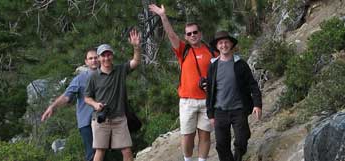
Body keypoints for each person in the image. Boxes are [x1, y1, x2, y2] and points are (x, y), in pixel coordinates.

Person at [149, 4, 217, 161]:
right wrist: (163, 16)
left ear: (200, 33)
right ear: (186, 37)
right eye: (189, 33)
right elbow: (171, 35)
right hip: (187, 101)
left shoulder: (211, 51)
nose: (193, 35)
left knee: (205, 135)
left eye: (195, 32)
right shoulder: (183, 50)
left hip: (208, 100)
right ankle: (187, 159)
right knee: (187, 135)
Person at [84, 29, 141, 161]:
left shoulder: (120, 70)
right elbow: (87, 98)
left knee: (127, 150)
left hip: (119, 118)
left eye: (108, 55)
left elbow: (136, 62)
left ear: (112, 56)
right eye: (103, 56)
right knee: (100, 151)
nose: (106, 58)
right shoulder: (93, 77)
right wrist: (95, 104)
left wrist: (136, 47)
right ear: (99, 58)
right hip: (100, 119)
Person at [204, 31, 262, 161]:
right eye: (220, 43)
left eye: (226, 42)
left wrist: (257, 104)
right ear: (217, 46)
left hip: (239, 109)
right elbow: (210, 91)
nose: (224, 45)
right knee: (221, 145)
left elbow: (253, 85)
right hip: (219, 112)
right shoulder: (213, 66)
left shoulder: (241, 64)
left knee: (242, 139)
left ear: (231, 44)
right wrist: (210, 114)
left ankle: (238, 158)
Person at [40, 48, 99, 161]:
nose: (94, 60)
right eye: (90, 58)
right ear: (86, 62)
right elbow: (66, 96)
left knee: (104, 152)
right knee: (92, 154)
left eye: (96, 57)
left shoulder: (105, 75)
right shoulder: (80, 79)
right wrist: (52, 106)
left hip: (103, 120)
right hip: (86, 122)